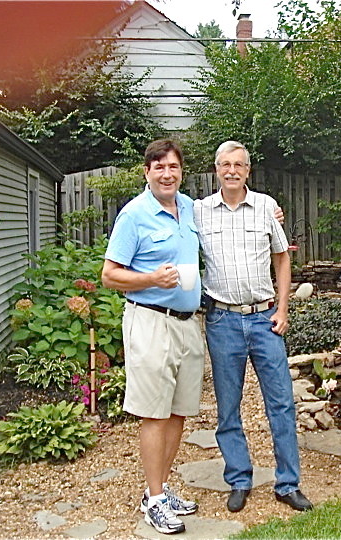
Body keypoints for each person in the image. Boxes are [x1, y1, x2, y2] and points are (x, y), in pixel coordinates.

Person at [193, 140, 313, 514]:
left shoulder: (265, 207)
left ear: (248, 170)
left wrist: (283, 308)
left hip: (264, 319)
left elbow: (282, 259)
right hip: (222, 320)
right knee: (228, 406)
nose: (232, 170)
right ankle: (239, 478)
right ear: (216, 169)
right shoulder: (198, 212)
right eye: (225, 164)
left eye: (239, 165)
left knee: (280, 403)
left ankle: (288, 484)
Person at [102, 139, 203, 535]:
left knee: (179, 410)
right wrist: (151, 279)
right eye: (158, 167)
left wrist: (272, 211)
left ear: (181, 172)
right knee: (154, 412)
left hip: (187, 323)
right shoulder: (134, 215)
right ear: (147, 172)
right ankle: (155, 500)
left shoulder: (190, 208)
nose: (167, 174)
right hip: (150, 321)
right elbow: (109, 275)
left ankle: (156, 491)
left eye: (173, 167)